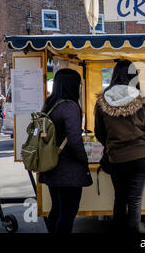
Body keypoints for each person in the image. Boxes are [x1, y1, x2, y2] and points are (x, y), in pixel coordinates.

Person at [94, 59, 145, 233]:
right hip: (141, 157)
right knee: (135, 201)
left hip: (117, 158)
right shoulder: (142, 100)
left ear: (115, 75)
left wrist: (111, 143)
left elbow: (99, 133)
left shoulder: (102, 101)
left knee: (119, 199)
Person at [39, 68, 92, 234]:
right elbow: (75, 140)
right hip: (68, 170)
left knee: (57, 209)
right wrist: (84, 160)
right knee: (68, 213)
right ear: (73, 86)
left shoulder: (50, 104)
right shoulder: (70, 107)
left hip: (51, 165)